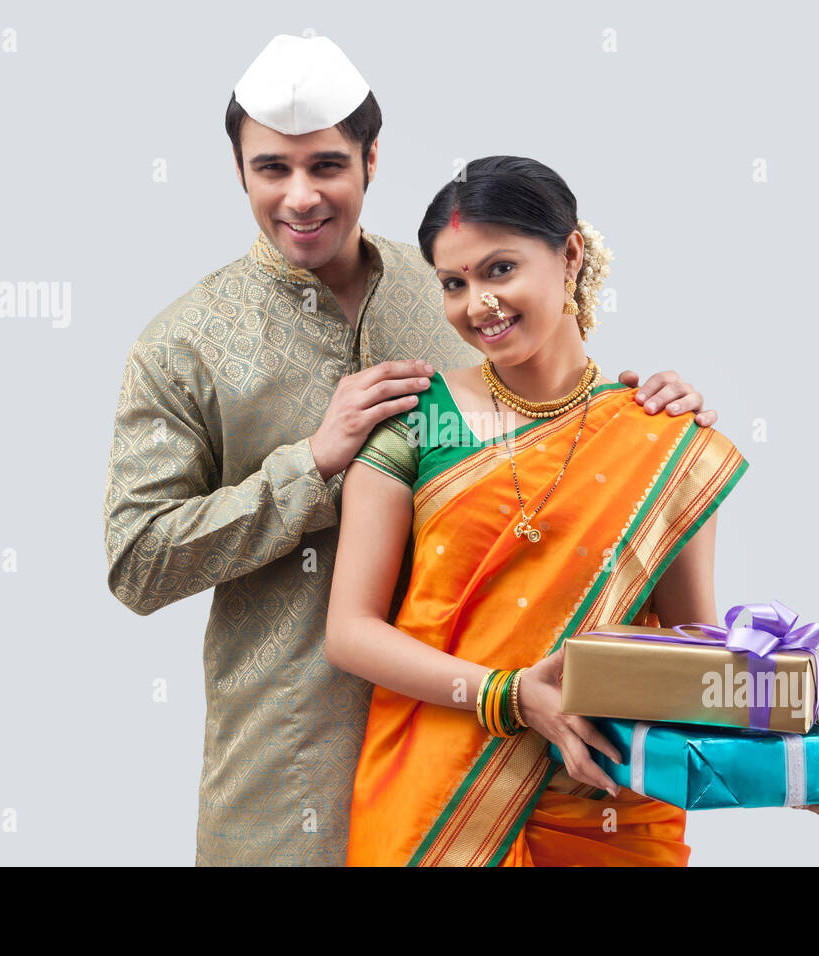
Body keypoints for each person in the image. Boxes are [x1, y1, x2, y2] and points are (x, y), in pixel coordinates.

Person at [101, 36, 717, 867]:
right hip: (288, 766)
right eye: (270, 170)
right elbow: (137, 563)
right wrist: (310, 465)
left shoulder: (446, 284)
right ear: (238, 171)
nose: (302, 196)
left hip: (515, 754)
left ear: (371, 158)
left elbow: (569, 454)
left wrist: (650, 413)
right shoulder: (182, 347)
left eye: (326, 165)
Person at [326, 156, 819, 867]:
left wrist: (794, 732)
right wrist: (509, 696)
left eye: (500, 269)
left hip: (609, 807)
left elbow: (689, 641)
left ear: (569, 254)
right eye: (454, 283)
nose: (477, 303)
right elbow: (350, 633)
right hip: (439, 806)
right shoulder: (414, 423)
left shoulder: (664, 439)